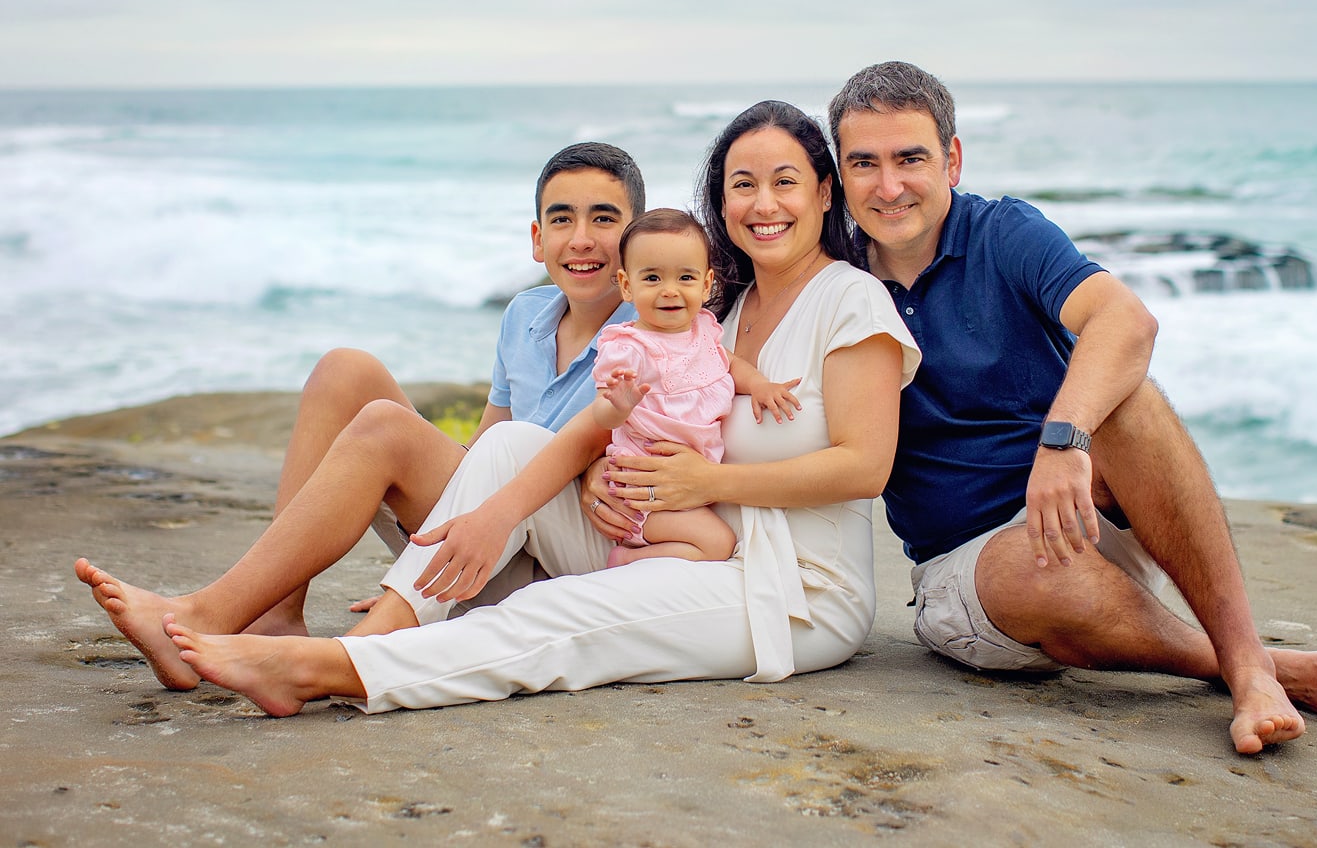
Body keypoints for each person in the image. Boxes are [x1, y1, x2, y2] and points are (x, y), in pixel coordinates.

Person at [78, 99, 921, 715]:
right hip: (668, 538)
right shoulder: (714, 310)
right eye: (742, 184)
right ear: (719, 203)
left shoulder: (849, 301)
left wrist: (701, 480)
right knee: (512, 444)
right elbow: (617, 427)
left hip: (791, 587)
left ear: (822, 192)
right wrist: (586, 486)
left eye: (785, 182)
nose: (762, 203)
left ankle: (332, 668)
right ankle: (384, 616)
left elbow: (865, 466)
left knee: (554, 614)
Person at [827, 61, 1317, 755]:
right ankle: (1247, 665)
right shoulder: (833, 275)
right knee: (1038, 571)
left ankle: (1246, 663)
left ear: (953, 159)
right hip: (975, 573)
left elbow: (1127, 320)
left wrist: (1063, 443)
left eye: (911, 158)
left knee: (1131, 398)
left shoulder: (1003, 232)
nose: (890, 186)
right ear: (840, 177)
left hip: (1078, 508)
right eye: (864, 164)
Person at [76, 141, 645, 686]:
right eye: (563, 219)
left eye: (604, 219)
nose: (582, 240)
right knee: (344, 371)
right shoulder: (525, 313)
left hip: (561, 562)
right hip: (482, 539)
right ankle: (276, 611)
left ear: (636, 237)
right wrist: (416, 584)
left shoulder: (652, 335)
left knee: (385, 428)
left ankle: (204, 613)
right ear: (536, 238)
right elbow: (487, 445)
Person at [590, 207, 800, 568]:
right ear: (627, 285)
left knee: (715, 542)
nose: (669, 291)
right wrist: (618, 406)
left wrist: (761, 385)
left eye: (685, 278)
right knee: (718, 543)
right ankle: (625, 560)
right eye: (652, 278)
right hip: (645, 491)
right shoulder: (630, 348)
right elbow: (601, 413)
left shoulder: (703, 331)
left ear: (705, 285)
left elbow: (730, 363)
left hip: (686, 486)